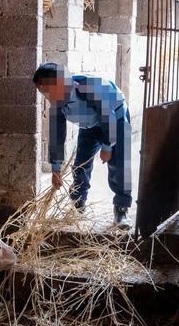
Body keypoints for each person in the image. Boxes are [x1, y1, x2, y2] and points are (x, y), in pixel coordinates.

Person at [33, 62, 133, 229]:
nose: (46, 97)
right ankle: (78, 203)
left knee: (120, 164)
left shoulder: (88, 88)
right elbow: (57, 136)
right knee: (80, 165)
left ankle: (121, 208)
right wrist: (56, 168)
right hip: (89, 125)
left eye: (47, 92)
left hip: (116, 118)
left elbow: (107, 115)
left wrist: (107, 146)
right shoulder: (57, 105)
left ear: (61, 83)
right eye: (43, 93)